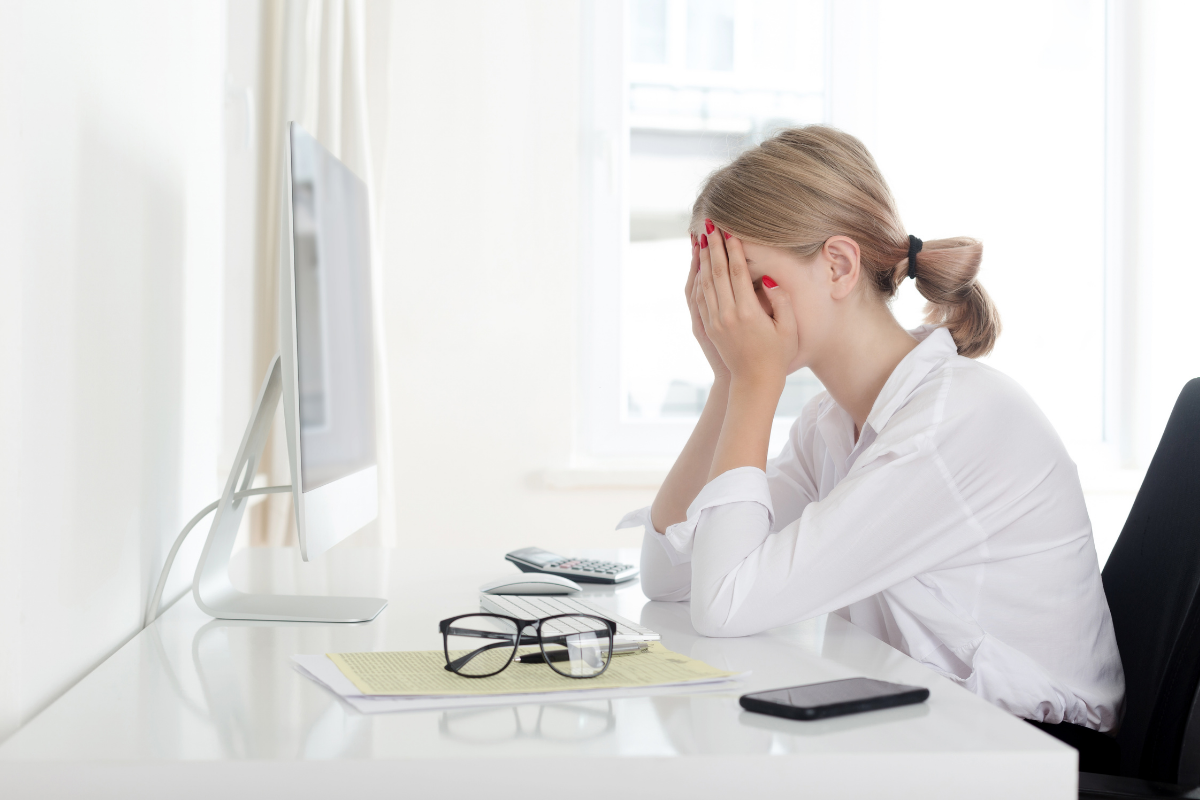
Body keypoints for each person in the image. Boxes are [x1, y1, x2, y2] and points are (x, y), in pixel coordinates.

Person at [618, 125, 1124, 732]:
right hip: (932, 722)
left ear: (837, 265)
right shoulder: (831, 424)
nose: (730, 313)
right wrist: (728, 381)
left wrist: (754, 381)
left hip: (1031, 747)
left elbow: (726, 605)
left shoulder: (950, 422)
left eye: (744, 281)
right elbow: (672, 578)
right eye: (715, 289)